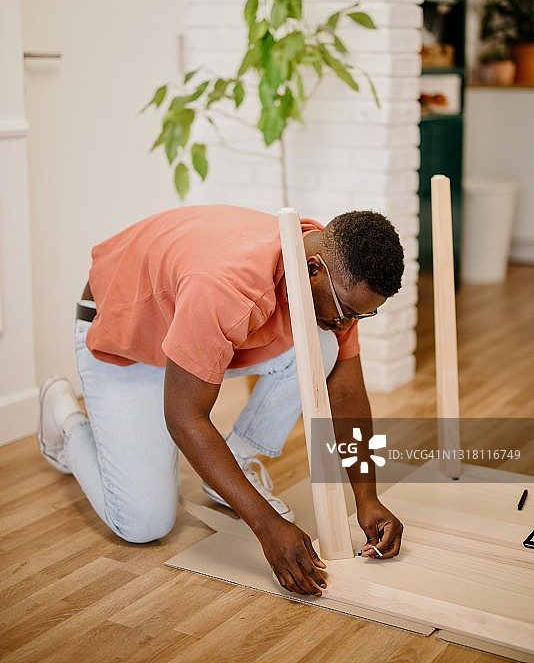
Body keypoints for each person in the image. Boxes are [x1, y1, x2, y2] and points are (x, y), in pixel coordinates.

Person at [37, 204, 405, 597]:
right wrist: (265, 527)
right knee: (143, 524)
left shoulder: (328, 274)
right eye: (346, 313)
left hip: (190, 327)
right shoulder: (228, 288)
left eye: (360, 317)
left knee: (323, 347)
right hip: (125, 331)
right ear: (313, 269)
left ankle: (234, 464)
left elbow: (346, 392)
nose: (347, 324)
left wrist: (368, 498)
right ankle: (65, 416)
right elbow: (184, 416)